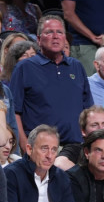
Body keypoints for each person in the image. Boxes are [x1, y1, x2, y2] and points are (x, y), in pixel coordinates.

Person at [12, 15, 93, 152]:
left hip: (75, 147)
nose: (55, 36)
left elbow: (88, 110)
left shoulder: (76, 66)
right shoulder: (24, 68)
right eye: (49, 32)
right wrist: (25, 146)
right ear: (38, 39)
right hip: (40, 148)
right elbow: (15, 112)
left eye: (60, 32)